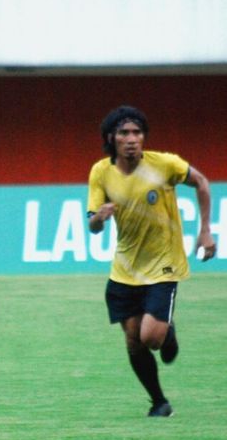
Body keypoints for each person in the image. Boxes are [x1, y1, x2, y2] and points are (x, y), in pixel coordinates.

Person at [87, 105, 216, 417]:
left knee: (152, 338)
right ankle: (159, 402)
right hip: (125, 269)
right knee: (134, 343)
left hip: (163, 265)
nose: (132, 139)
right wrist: (99, 219)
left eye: (137, 133)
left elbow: (201, 182)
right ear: (111, 138)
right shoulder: (100, 172)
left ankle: (166, 330)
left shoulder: (166, 164)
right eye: (124, 133)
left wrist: (205, 230)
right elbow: (92, 223)